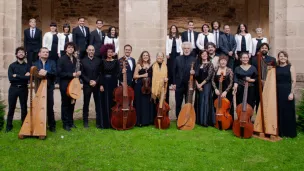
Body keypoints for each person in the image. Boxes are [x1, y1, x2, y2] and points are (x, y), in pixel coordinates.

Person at [57, 42, 81, 131]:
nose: (70, 49)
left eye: (72, 47)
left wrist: (78, 73)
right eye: (69, 47)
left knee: (72, 103)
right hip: (65, 84)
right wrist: (72, 74)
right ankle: (65, 123)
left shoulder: (75, 59)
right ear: (66, 49)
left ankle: (71, 122)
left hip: (74, 84)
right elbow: (59, 73)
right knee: (65, 104)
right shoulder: (61, 59)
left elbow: (77, 70)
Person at [6, 47, 30, 132]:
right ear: (16, 54)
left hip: (23, 89)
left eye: (22, 52)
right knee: (11, 107)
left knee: (24, 107)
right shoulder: (12, 66)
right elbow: (11, 78)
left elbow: (29, 78)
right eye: (19, 52)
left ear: (25, 54)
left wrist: (17, 76)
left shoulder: (27, 66)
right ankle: (9, 125)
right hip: (13, 88)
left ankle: (24, 125)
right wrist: (23, 76)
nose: (21, 53)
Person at [33, 47, 57, 132]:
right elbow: (33, 75)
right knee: (39, 107)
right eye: (43, 52)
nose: (46, 53)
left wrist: (47, 73)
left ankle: (52, 125)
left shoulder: (52, 63)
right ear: (39, 54)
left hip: (49, 87)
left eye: (47, 52)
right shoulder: (35, 64)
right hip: (39, 87)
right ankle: (40, 124)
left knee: (50, 107)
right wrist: (39, 73)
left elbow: (55, 73)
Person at [172, 42, 196, 117]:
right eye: (185, 48)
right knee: (178, 103)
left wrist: (194, 72)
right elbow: (174, 72)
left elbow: (197, 72)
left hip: (189, 85)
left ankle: (187, 118)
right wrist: (174, 83)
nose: (186, 50)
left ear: (190, 49)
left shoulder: (194, 59)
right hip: (179, 85)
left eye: (188, 48)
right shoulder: (177, 58)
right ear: (182, 49)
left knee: (188, 103)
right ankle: (178, 118)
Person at [276, 51, 297, 138]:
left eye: (284, 56)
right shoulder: (276, 68)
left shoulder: (290, 67)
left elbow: (294, 81)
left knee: (288, 111)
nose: (282, 58)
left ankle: (289, 132)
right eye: (281, 56)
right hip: (278, 90)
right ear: (278, 58)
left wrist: (291, 93)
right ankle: (280, 132)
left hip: (287, 90)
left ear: (287, 58)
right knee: (280, 110)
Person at [80, 45, 102, 128]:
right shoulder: (83, 61)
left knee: (98, 104)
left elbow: (100, 73)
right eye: (90, 50)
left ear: (94, 51)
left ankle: (98, 122)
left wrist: (96, 81)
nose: (91, 51)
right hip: (87, 85)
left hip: (96, 85)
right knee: (86, 104)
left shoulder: (99, 60)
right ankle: (85, 122)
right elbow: (82, 73)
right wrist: (89, 81)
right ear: (87, 51)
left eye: (92, 50)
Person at [251, 43, 276, 112]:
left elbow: (275, 71)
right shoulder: (254, 59)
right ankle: (259, 118)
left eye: (266, 48)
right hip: (257, 83)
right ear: (260, 49)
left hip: (268, 83)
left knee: (268, 100)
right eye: (262, 48)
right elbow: (252, 71)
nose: (264, 49)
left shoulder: (272, 59)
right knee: (258, 100)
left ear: (268, 50)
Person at [100, 44, 119, 129]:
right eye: (108, 52)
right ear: (105, 52)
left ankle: (113, 122)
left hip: (113, 83)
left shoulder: (116, 61)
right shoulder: (102, 61)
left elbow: (118, 73)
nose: (110, 53)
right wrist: (101, 84)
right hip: (104, 83)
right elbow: (100, 73)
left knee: (112, 102)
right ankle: (105, 123)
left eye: (111, 52)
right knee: (105, 102)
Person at [133, 51, 155, 126]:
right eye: (144, 55)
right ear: (141, 57)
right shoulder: (139, 65)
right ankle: (139, 121)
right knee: (140, 103)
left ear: (149, 57)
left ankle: (147, 121)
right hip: (140, 86)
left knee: (147, 103)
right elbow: (135, 76)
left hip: (148, 87)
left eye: (147, 55)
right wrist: (143, 75)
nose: (145, 56)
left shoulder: (151, 65)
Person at [194, 50, 215, 127]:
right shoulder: (198, 65)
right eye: (202, 54)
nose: (204, 55)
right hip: (198, 85)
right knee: (199, 101)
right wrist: (197, 85)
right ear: (200, 55)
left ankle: (205, 121)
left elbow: (209, 77)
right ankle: (199, 120)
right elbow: (195, 76)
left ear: (207, 55)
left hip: (206, 85)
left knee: (205, 102)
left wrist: (201, 85)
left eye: (205, 54)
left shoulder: (210, 64)